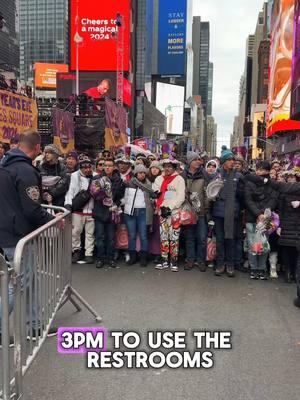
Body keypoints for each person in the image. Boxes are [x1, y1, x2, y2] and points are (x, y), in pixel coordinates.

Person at [0, 130, 56, 340]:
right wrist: (53, 221)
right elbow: (32, 208)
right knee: (18, 284)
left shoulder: (5, 164)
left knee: (29, 281)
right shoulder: (24, 171)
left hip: (10, 230)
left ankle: (34, 325)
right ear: (37, 148)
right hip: (18, 234)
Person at [244, 161, 278, 280]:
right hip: (251, 217)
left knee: (264, 243)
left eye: (262, 169)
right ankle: (253, 268)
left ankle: (262, 268)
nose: (259, 171)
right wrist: (258, 213)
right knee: (252, 243)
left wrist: (264, 214)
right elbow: (248, 199)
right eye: (257, 169)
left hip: (266, 217)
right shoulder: (249, 181)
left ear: (268, 171)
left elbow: (273, 199)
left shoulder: (272, 183)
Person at [212, 146, 243, 278]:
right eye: (230, 159)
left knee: (230, 239)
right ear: (224, 161)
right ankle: (220, 264)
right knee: (219, 239)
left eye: (233, 159)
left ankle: (230, 265)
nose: (232, 162)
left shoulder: (239, 176)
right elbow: (210, 193)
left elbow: (242, 196)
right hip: (219, 212)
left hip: (233, 212)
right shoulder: (216, 175)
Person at [153, 159, 185, 272]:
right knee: (163, 237)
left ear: (174, 167)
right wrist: (161, 206)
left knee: (174, 237)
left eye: (170, 167)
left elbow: (181, 196)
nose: (167, 169)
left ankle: (174, 260)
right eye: (165, 166)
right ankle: (164, 260)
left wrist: (170, 207)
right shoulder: (159, 179)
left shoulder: (179, 179)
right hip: (162, 212)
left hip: (174, 213)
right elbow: (156, 193)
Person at [93, 158, 125, 269]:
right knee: (100, 238)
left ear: (113, 167)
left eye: (110, 165)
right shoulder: (97, 178)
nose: (107, 167)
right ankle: (100, 258)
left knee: (111, 238)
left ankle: (111, 258)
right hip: (99, 211)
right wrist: (103, 197)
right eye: (105, 165)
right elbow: (93, 193)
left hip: (112, 212)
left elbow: (122, 196)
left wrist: (115, 203)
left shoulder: (118, 180)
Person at [64, 155, 96, 264]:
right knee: (75, 233)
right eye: (84, 167)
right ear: (80, 167)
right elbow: (70, 192)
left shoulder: (96, 176)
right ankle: (76, 251)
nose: (87, 169)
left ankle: (89, 253)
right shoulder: (73, 176)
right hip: (78, 210)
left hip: (91, 211)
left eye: (89, 167)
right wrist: (68, 205)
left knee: (90, 233)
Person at [182, 151, 210, 271]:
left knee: (202, 238)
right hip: (188, 212)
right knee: (190, 237)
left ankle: (201, 260)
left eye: (198, 159)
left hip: (201, 212)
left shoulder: (204, 174)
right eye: (195, 160)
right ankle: (190, 260)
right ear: (190, 162)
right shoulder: (183, 176)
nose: (198, 162)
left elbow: (207, 193)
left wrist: (206, 208)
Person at [124, 165, 156, 267]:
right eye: (139, 173)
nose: (142, 174)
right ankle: (132, 256)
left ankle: (143, 257)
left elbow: (153, 197)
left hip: (143, 212)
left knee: (143, 236)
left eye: (143, 173)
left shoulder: (148, 184)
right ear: (136, 173)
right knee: (132, 235)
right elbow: (124, 197)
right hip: (130, 212)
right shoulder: (129, 183)